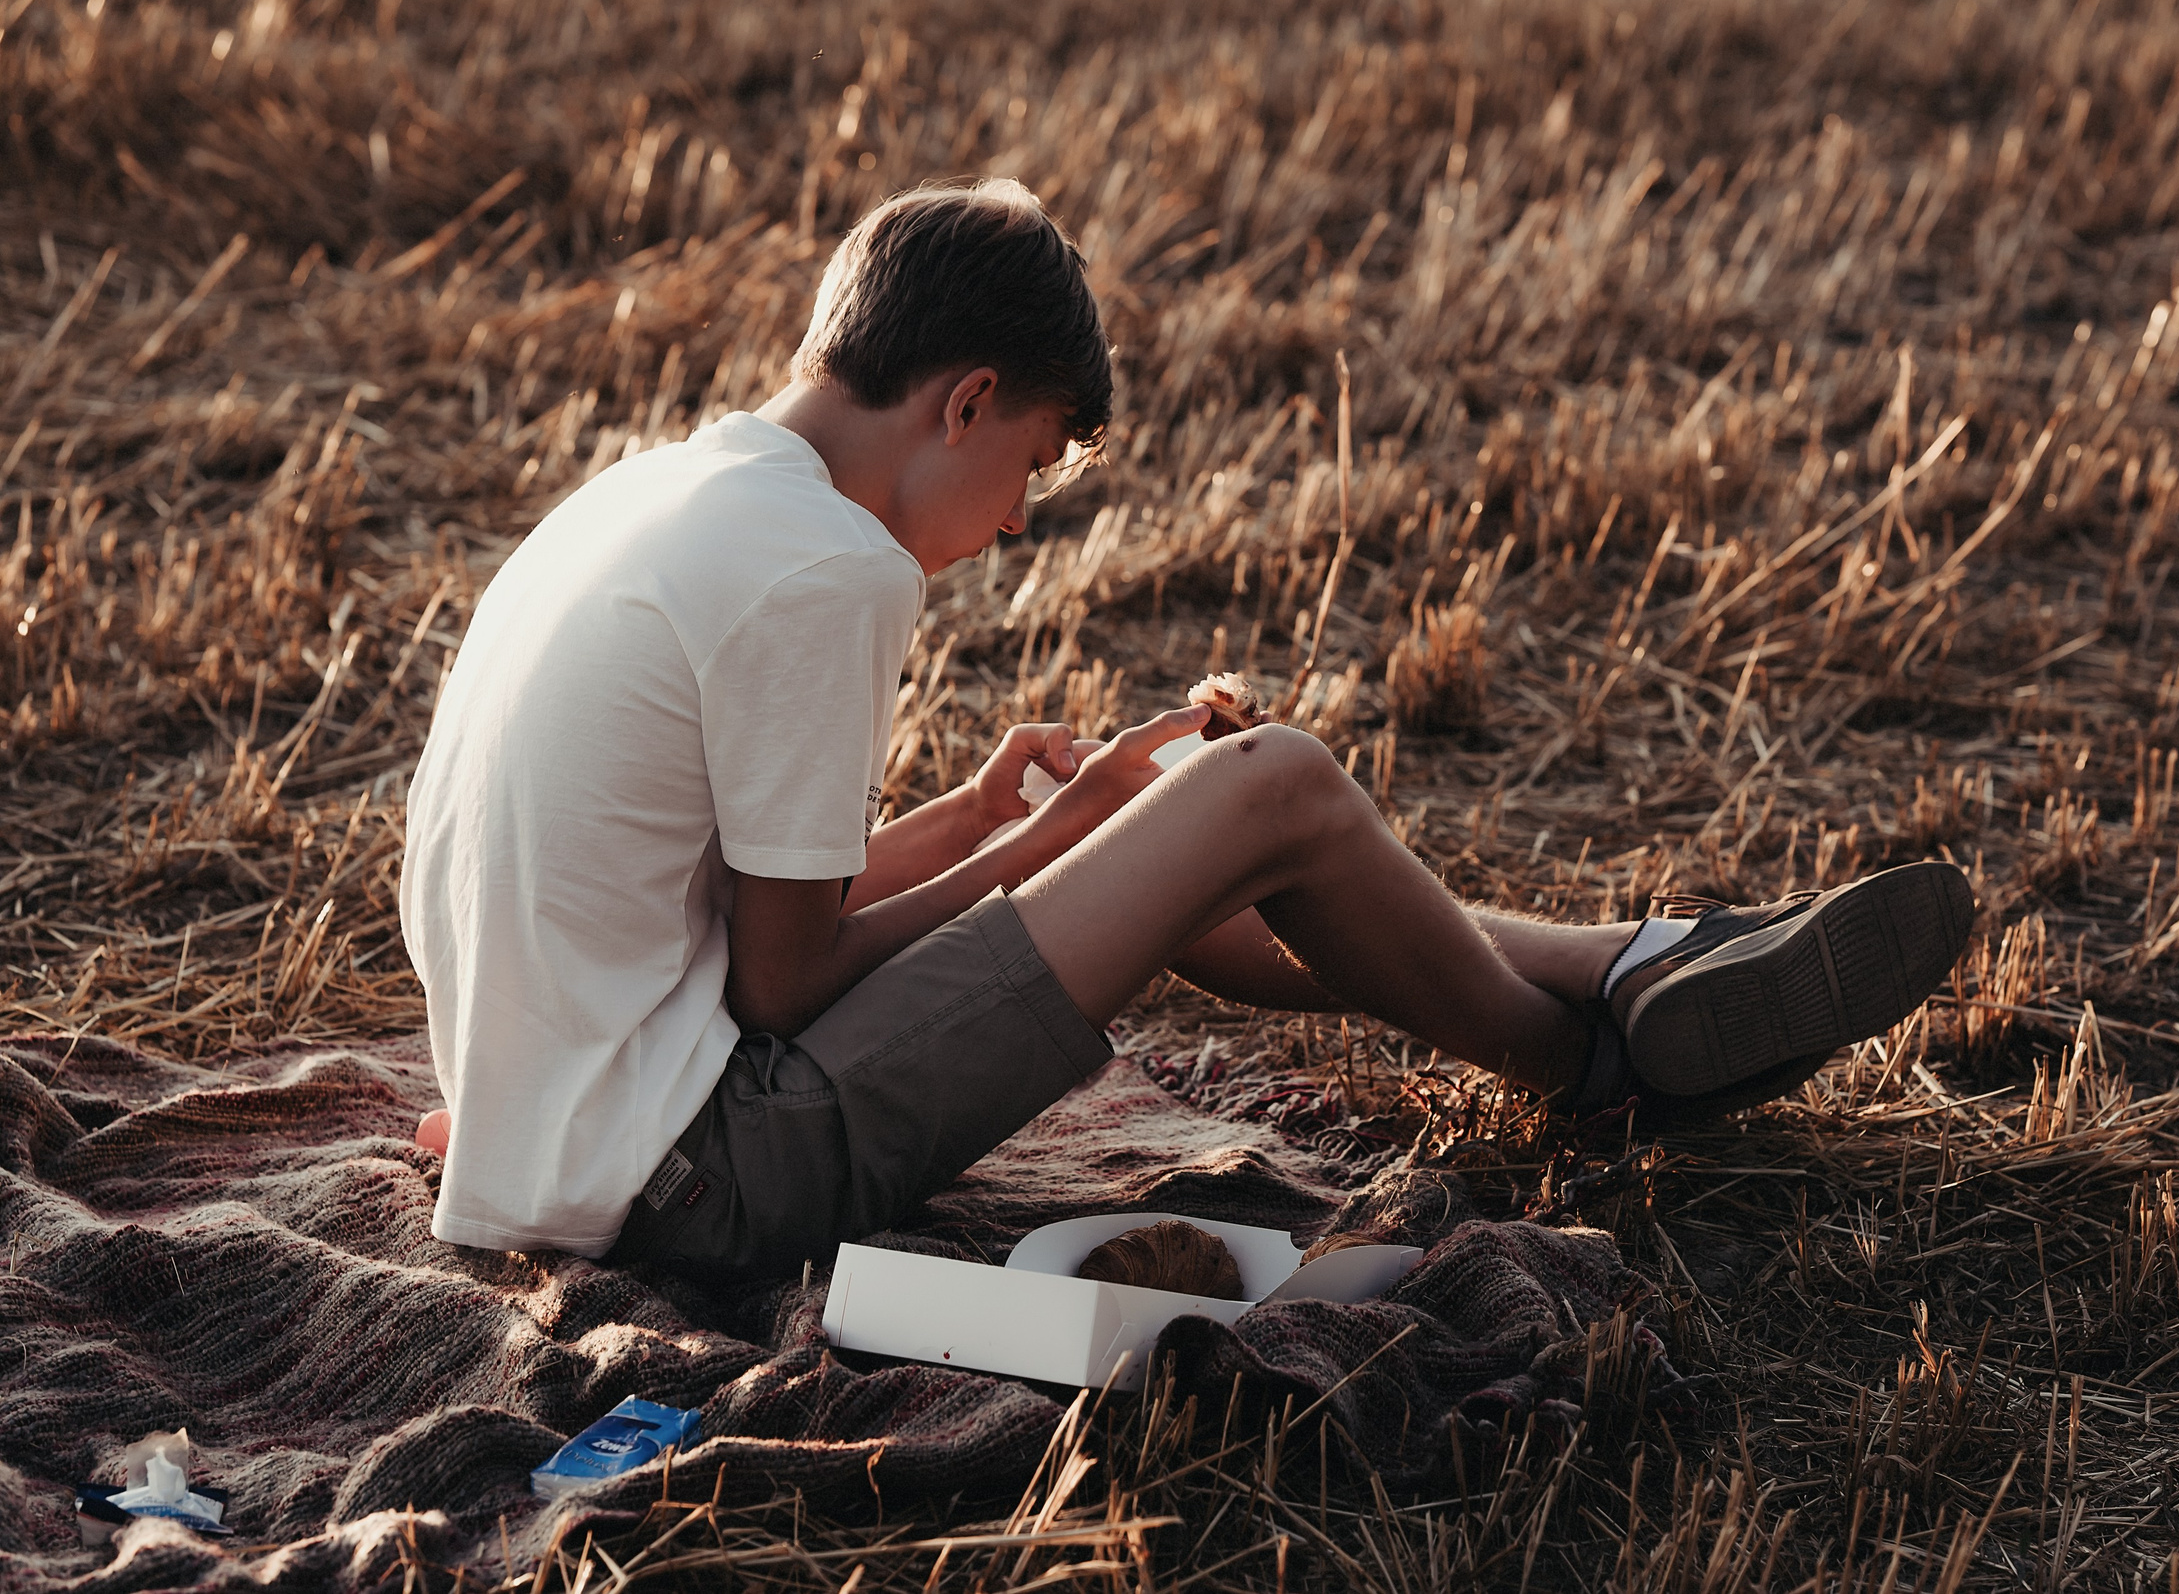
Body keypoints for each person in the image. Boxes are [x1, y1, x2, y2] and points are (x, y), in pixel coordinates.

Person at [399, 178, 1976, 1281]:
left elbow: (716, 910)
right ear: (965, 400)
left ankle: (1640, 958)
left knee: (1194, 831)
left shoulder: (662, 497)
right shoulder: (829, 566)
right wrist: (1055, 841)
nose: (1020, 519)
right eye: (1039, 463)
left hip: (572, 1123)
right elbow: (782, 975)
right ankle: (1602, 1064)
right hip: (702, 1177)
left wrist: (971, 827)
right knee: (1267, 783)